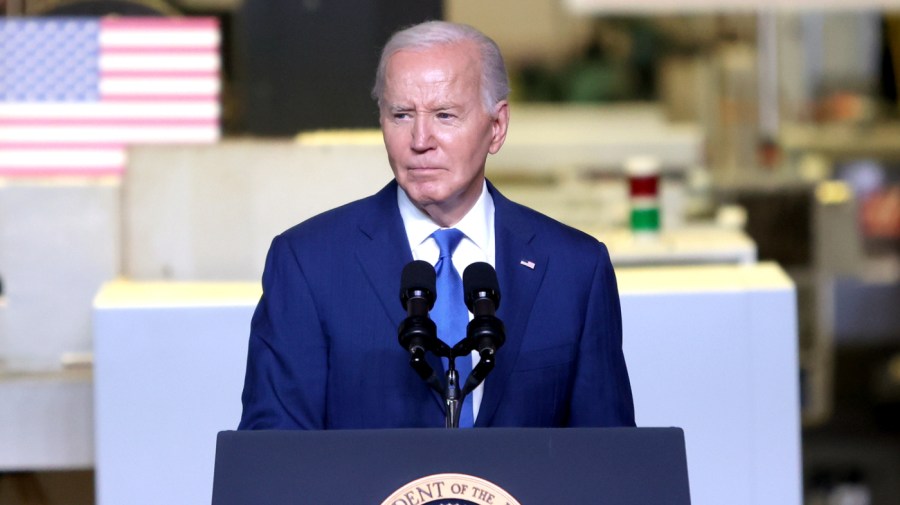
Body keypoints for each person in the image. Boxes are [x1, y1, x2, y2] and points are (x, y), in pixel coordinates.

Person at [238, 20, 635, 429]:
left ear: (496, 128)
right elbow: (273, 459)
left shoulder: (575, 270)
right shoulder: (308, 264)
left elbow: (610, 464)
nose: (420, 139)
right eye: (401, 115)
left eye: (445, 115)